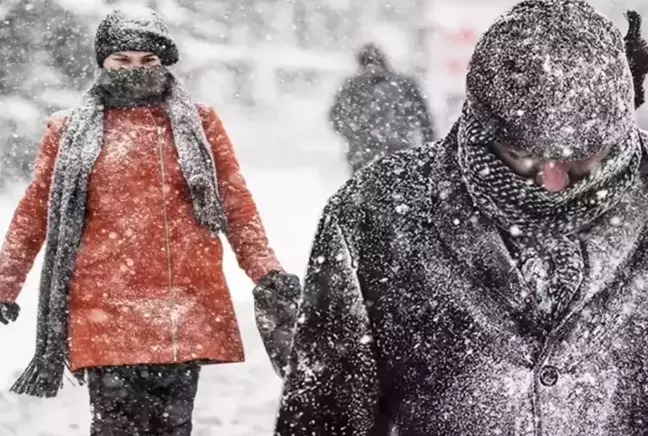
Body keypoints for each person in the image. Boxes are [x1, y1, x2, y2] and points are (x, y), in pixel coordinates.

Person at [275, 1, 648, 435]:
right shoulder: (376, 210)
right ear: (482, 123)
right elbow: (328, 413)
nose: (551, 183)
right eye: (521, 155)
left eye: (581, 158)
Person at [0, 6, 299, 436]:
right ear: (102, 62)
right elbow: (34, 213)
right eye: (122, 60)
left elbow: (236, 204)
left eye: (148, 61)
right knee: (115, 427)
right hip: (105, 308)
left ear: (164, 63)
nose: (135, 70)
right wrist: (5, 285)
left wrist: (265, 270)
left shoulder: (199, 124)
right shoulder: (67, 132)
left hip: (183, 308)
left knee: (172, 427)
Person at [329, 43, 435, 174]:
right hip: (389, 154)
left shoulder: (352, 87)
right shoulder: (402, 85)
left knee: (371, 191)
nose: (371, 68)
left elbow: (336, 118)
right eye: (368, 62)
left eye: (373, 62)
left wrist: (354, 134)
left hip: (375, 154)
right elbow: (424, 119)